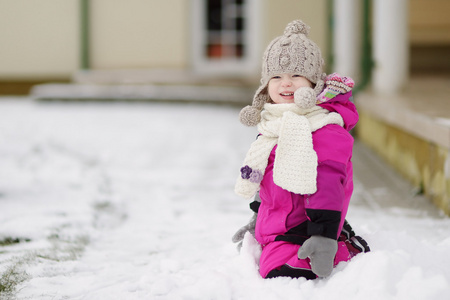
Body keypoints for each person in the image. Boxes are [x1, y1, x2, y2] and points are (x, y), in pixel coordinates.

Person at [233, 20, 369, 280]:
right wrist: (256, 220)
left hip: (308, 226)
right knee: (268, 259)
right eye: (276, 76)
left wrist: (323, 235)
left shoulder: (324, 128)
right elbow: (267, 180)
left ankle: (343, 247)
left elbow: (329, 185)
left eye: (295, 75)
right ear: (265, 85)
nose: (285, 84)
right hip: (281, 222)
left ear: (314, 83)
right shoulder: (274, 125)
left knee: (276, 269)